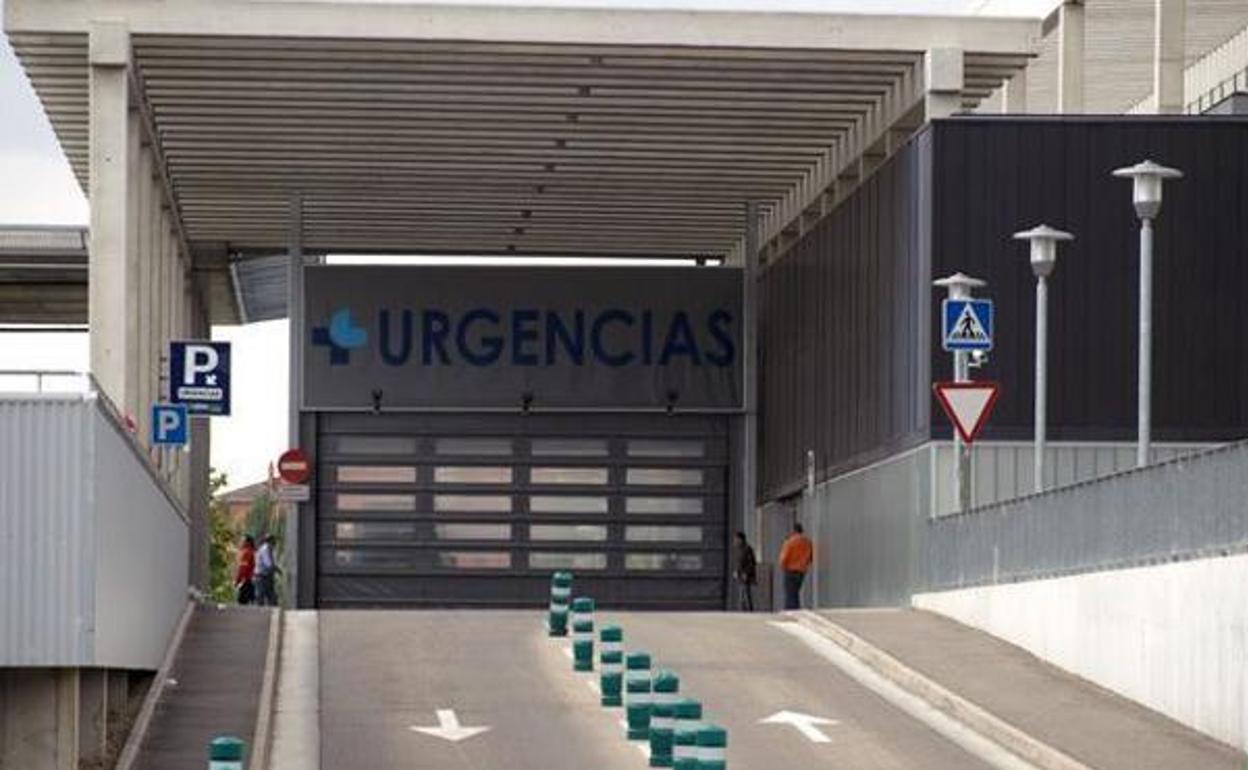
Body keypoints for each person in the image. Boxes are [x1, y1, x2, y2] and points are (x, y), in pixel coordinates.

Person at [778, 522, 814, 610]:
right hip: (801, 571)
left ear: (794, 531)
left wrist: (782, 566)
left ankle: (791, 609)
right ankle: (796, 608)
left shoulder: (790, 542)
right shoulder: (807, 542)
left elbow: (784, 557)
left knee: (790, 593)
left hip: (790, 570)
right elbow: (810, 557)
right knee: (796, 591)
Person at [733, 531, 758, 612]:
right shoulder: (739, 550)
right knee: (742, 594)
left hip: (746, 576)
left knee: (746, 594)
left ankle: (749, 611)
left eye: (736, 539)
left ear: (741, 539)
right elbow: (739, 563)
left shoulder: (747, 549)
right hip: (741, 576)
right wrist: (736, 571)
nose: (735, 541)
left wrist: (746, 573)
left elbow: (751, 563)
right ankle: (742, 610)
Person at [255, 534, 281, 607]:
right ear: (270, 541)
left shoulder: (266, 549)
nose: (275, 543)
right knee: (265, 596)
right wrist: (277, 570)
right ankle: (261, 613)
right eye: (274, 541)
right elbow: (269, 564)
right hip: (263, 577)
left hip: (265, 576)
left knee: (269, 596)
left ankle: (269, 610)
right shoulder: (265, 549)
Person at [235, 535, 257, 605]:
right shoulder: (254, 551)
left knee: (242, 602)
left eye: (243, 541)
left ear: (248, 542)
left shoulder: (246, 552)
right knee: (253, 601)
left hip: (246, 580)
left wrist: (238, 580)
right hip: (253, 579)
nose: (241, 542)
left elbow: (243, 568)